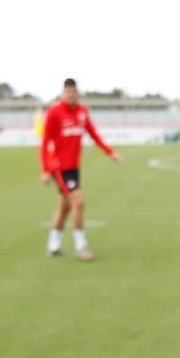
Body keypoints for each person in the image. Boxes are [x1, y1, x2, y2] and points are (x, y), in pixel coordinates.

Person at [40, 78, 121, 260]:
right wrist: (45, 170)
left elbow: (93, 134)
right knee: (79, 202)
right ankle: (81, 246)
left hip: (74, 167)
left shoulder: (82, 112)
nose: (71, 95)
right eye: (68, 92)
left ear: (78, 93)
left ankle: (53, 245)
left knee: (65, 207)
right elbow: (45, 142)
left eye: (74, 92)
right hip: (59, 168)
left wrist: (111, 153)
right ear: (63, 93)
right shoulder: (54, 113)